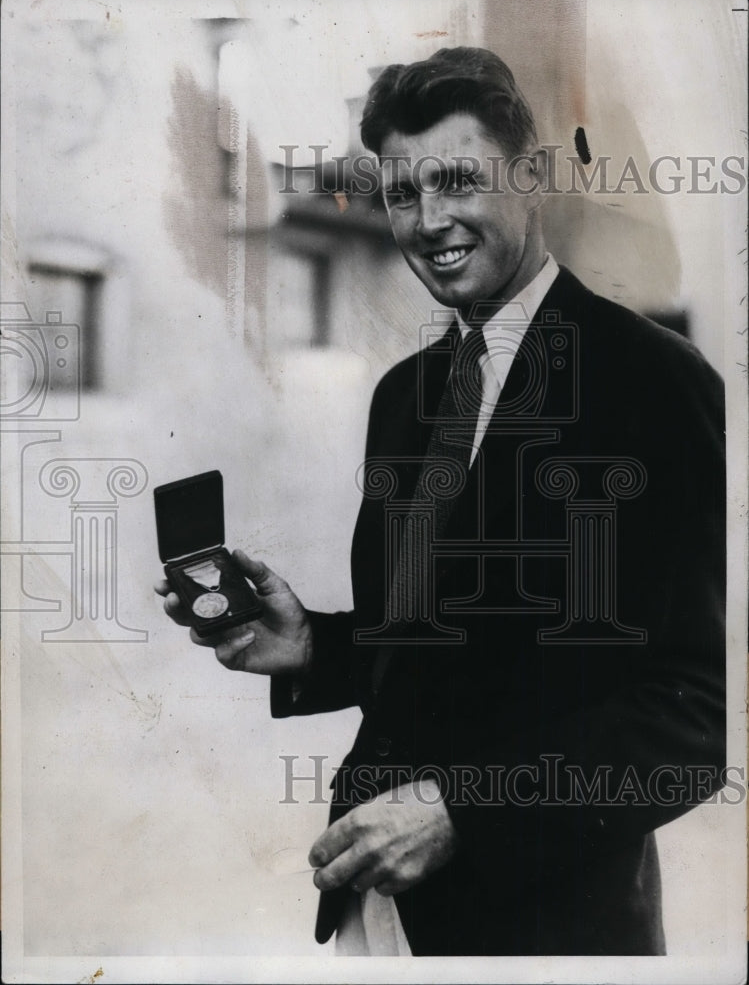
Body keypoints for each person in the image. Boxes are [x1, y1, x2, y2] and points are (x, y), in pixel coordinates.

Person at [157, 47, 725, 956]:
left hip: (544, 929)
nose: (429, 221)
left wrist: (466, 813)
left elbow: (694, 716)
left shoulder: (654, 383)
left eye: (458, 180)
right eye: (401, 193)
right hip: (373, 905)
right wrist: (312, 645)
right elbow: (444, 646)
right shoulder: (406, 395)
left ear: (530, 177)